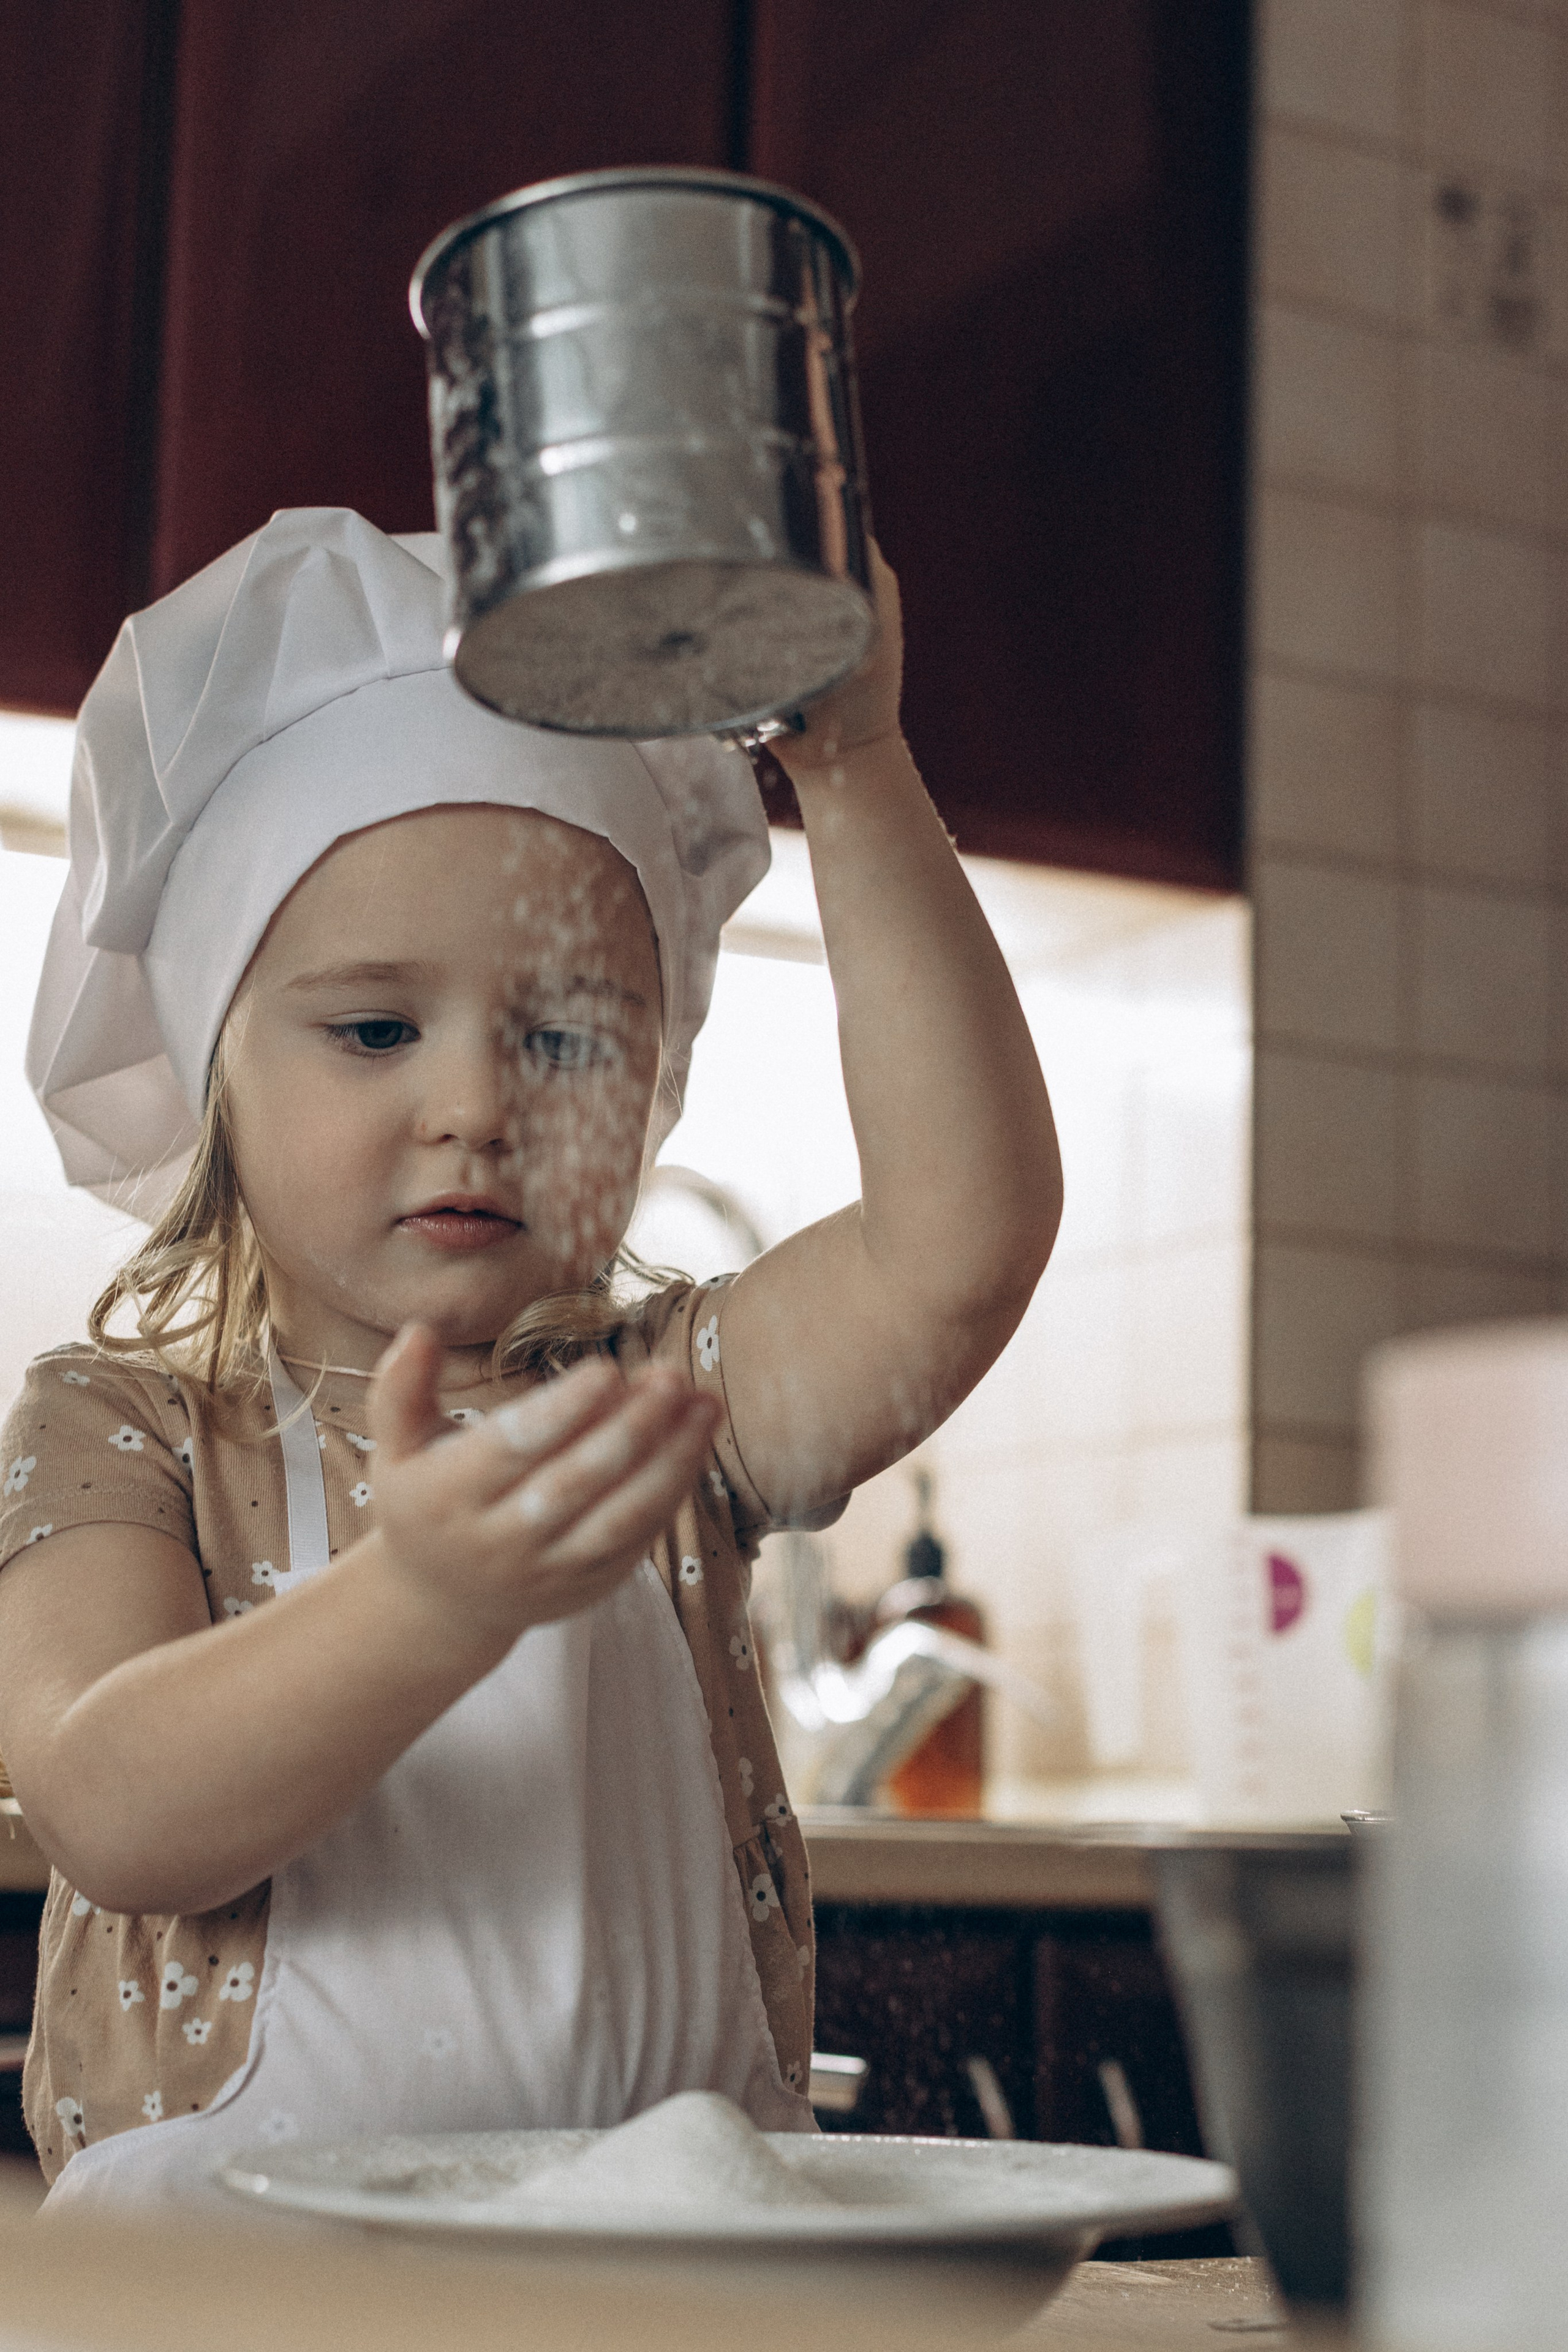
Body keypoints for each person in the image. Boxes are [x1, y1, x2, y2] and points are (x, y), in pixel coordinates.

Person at [0, 508, 1061, 2206]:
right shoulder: (126, 1423)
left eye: (562, 1038)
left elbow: (957, 1253)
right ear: (219, 1065)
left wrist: (852, 765)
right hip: (233, 2311)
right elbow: (111, 1802)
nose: (478, 1107)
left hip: (663, 2282)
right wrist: (420, 1602)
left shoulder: (663, 1412)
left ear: (648, 1092)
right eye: (371, 1030)